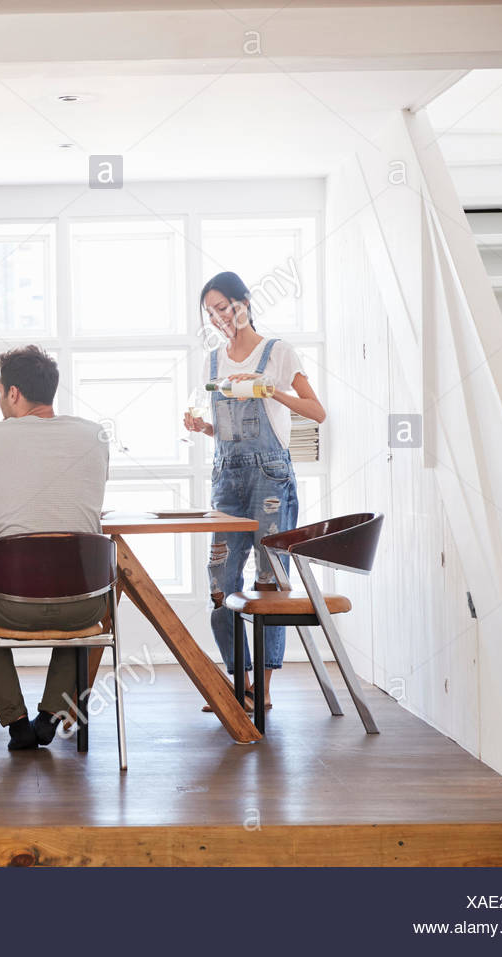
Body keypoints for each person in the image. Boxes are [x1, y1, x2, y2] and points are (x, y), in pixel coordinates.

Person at [0, 345, 109, 750]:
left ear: (13, 393)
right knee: (81, 592)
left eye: (0, 392)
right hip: (84, 605)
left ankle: (15, 721)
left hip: (10, 604)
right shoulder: (95, 435)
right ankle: (51, 715)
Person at [183, 271, 326, 712]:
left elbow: (317, 411)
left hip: (270, 476)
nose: (219, 318)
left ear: (244, 303)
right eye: (211, 312)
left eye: (224, 307)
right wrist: (203, 427)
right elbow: (228, 432)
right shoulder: (212, 362)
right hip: (226, 477)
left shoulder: (277, 352)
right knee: (222, 584)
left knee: (269, 583)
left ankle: (261, 691)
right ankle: (238, 682)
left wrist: (272, 392)